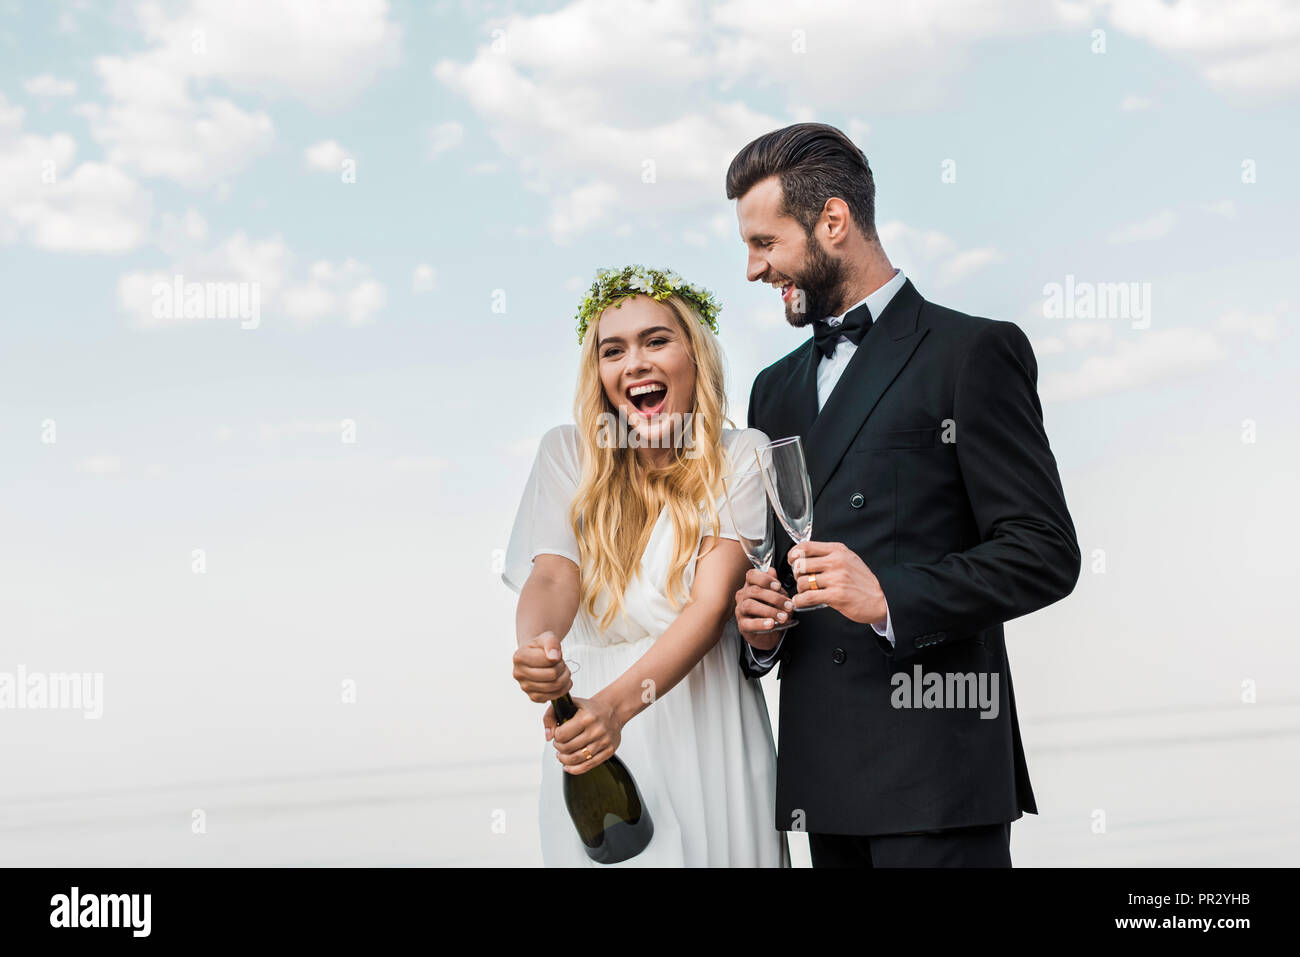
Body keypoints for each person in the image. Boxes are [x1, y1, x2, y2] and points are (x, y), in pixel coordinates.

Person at [726, 123, 1081, 867]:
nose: (754, 269)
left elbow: (1045, 552)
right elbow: (785, 566)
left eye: (764, 243)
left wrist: (889, 595)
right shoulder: (773, 389)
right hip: (820, 780)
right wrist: (761, 634)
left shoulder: (972, 353)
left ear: (833, 221)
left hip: (937, 775)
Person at [502, 265, 789, 867]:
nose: (634, 363)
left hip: (705, 719)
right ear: (599, 374)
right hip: (589, 738)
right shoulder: (566, 454)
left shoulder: (741, 455)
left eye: (656, 340)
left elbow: (711, 607)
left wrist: (614, 708)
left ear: (696, 355)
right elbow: (553, 574)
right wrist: (538, 649)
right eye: (614, 350)